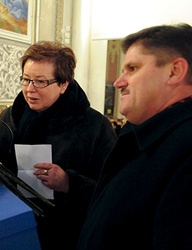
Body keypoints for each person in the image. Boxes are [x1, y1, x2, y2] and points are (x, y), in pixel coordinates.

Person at [0, 41, 117, 250]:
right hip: (14, 227)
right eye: (26, 79)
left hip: (69, 234)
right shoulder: (10, 118)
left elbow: (113, 190)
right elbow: (1, 172)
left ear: (63, 84)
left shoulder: (95, 126)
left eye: (40, 81)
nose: (30, 89)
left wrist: (68, 182)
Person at [77, 23, 192, 249]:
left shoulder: (185, 150)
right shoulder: (148, 137)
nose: (119, 82)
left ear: (174, 71)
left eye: (133, 68)